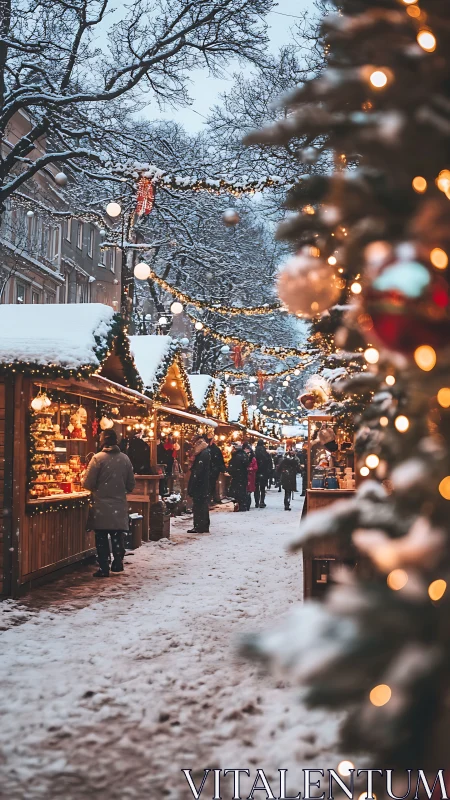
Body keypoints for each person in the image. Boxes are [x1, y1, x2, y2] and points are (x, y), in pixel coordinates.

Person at [83, 429, 136, 577]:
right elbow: (131, 484)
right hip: (118, 505)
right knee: (117, 535)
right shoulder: (125, 459)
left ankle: (104, 567)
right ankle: (118, 562)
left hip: (101, 505)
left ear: (103, 441)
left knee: (101, 537)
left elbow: (88, 483)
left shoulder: (97, 459)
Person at [187, 436, 211, 533]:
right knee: (202, 504)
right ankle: (203, 525)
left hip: (200, 484)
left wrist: (193, 484)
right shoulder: (205, 452)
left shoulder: (202, 454)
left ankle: (199, 526)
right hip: (203, 483)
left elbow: (198, 471)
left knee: (198, 505)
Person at [228, 442, 249, 512]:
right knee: (242, 491)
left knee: (237, 492)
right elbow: (246, 464)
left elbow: (233, 467)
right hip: (243, 476)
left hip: (237, 476)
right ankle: (243, 505)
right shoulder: (244, 455)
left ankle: (239, 505)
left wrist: (230, 471)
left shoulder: (236, 456)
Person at [208, 436, 226, 504]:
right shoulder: (215, 449)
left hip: (212, 470)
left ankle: (211, 499)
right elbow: (220, 460)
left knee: (211, 485)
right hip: (214, 470)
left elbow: (219, 459)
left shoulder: (211, 449)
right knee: (213, 484)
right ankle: (214, 498)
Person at [254, 439, 272, 508]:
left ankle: (256, 502)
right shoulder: (266, 454)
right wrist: (269, 472)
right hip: (264, 473)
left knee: (256, 488)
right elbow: (269, 464)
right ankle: (262, 501)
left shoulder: (255, 453)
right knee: (262, 488)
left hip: (256, 472)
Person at [243, 442, 258, 510]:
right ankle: (245, 504)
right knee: (245, 490)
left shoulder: (253, 458)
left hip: (250, 476)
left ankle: (247, 504)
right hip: (245, 476)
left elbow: (255, 467)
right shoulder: (243, 457)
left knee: (248, 491)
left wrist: (249, 469)